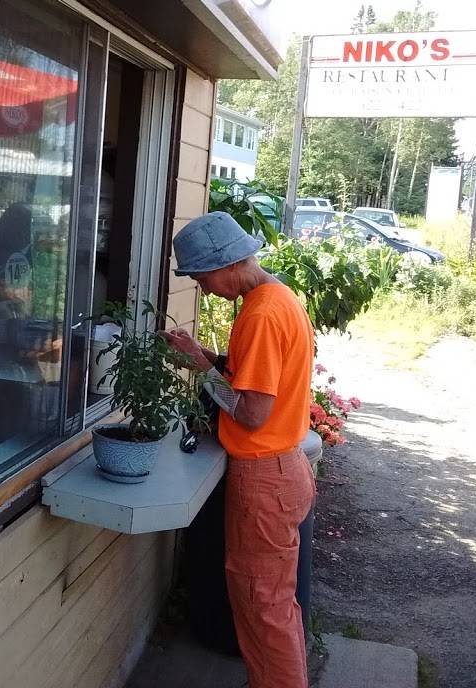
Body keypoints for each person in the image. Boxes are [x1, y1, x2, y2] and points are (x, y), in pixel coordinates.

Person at [163, 211, 316, 688]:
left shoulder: (262, 314)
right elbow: (253, 376)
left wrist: (199, 368)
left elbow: (251, 413)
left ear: (227, 263)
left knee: (262, 605)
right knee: (273, 602)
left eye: (202, 278)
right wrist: (208, 357)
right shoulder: (277, 297)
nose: (204, 290)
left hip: (265, 478)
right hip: (283, 469)